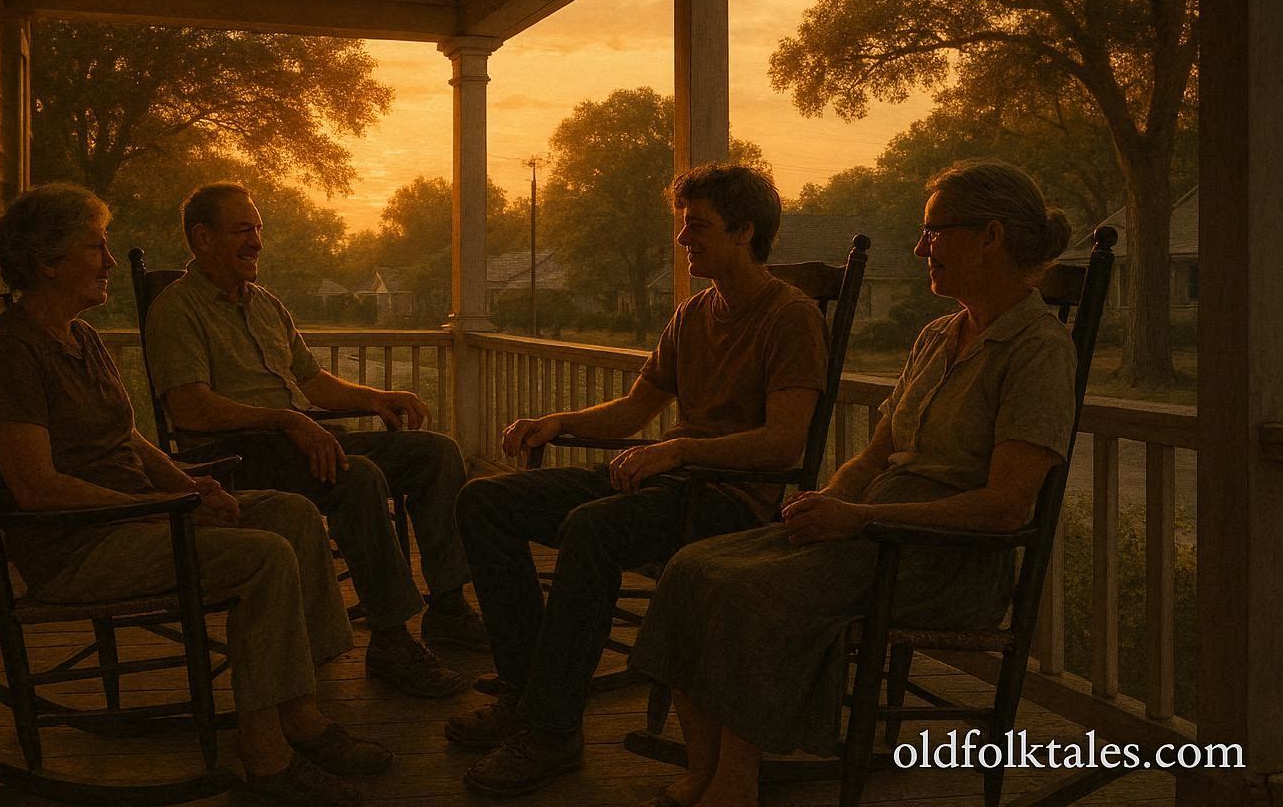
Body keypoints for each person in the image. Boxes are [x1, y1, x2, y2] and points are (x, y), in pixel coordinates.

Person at [627, 159, 1079, 807]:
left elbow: (1006, 507)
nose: (921, 247)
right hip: (869, 525)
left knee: (748, 590)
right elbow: (875, 457)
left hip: (943, 558)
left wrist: (859, 521)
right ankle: (703, 768)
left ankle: (736, 782)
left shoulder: (1037, 350)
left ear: (991, 237)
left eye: (934, 232)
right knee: (693, 569)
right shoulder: (936, 335)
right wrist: (828, 500)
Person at [0, 183, 388, 807]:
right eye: (96, 247)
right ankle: (267, 757)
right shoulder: (11, 353)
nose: (110, 262)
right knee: (263, 556)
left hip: (141, 518)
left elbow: (130, 439)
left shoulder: (82, 339)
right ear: (48, 261)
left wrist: (187, 484)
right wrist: (166, 508)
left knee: (294, 514)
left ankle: (301, 712)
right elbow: (35, 488)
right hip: (77, 547)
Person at [446, 164, 830, 797]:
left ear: (744, 231)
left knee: (592, 529)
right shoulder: (692, 315)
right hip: (671, 481)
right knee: (485, 501)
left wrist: (677, 451)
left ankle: (552, 732)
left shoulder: (789, 317)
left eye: (698, 227)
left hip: (730, 500)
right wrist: (557, 421)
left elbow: (784, 443)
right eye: (683, 225)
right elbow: (632, 411)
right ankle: (527, 692)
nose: (683, 240)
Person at [143, 182, 484, 701]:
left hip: (302, 441)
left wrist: (375, 397)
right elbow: (189, 407)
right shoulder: (177, 309)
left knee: (436, 453)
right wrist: (285, 421)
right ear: (202, 238)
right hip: (234, 458)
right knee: (357, 476)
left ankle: (449, 607)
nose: (257, 241)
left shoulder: (265, 305)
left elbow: (313, 381)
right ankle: (391, 641)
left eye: (258, 229)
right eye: (243, 230)